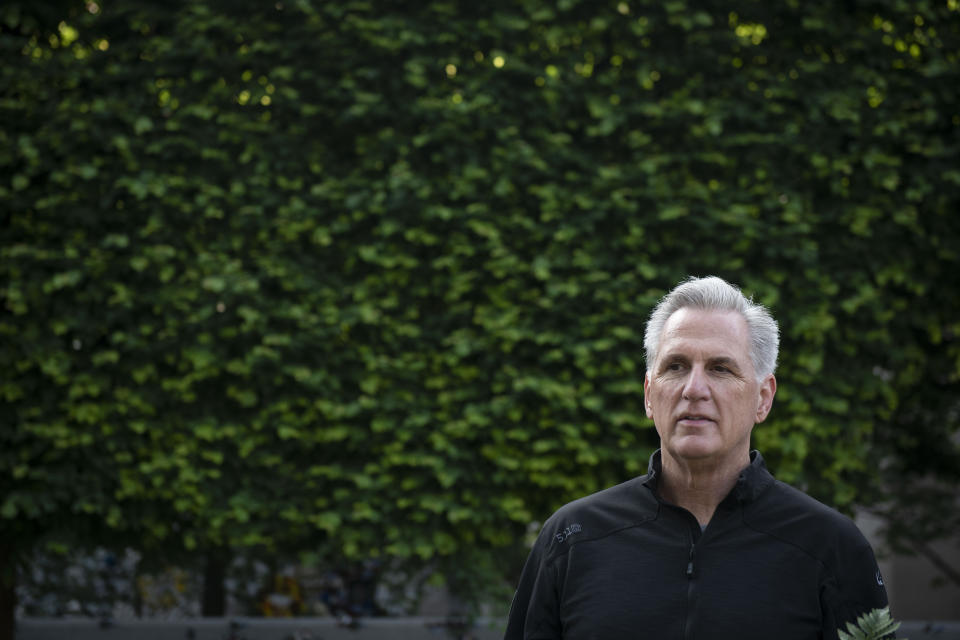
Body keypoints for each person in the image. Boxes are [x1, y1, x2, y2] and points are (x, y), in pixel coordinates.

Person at [504, 276, 889, 640]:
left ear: (763, 398)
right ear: (649, 395)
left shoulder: (831, 547)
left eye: (721, 369)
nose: (694, 389)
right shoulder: (572, 538)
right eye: (676, 367)